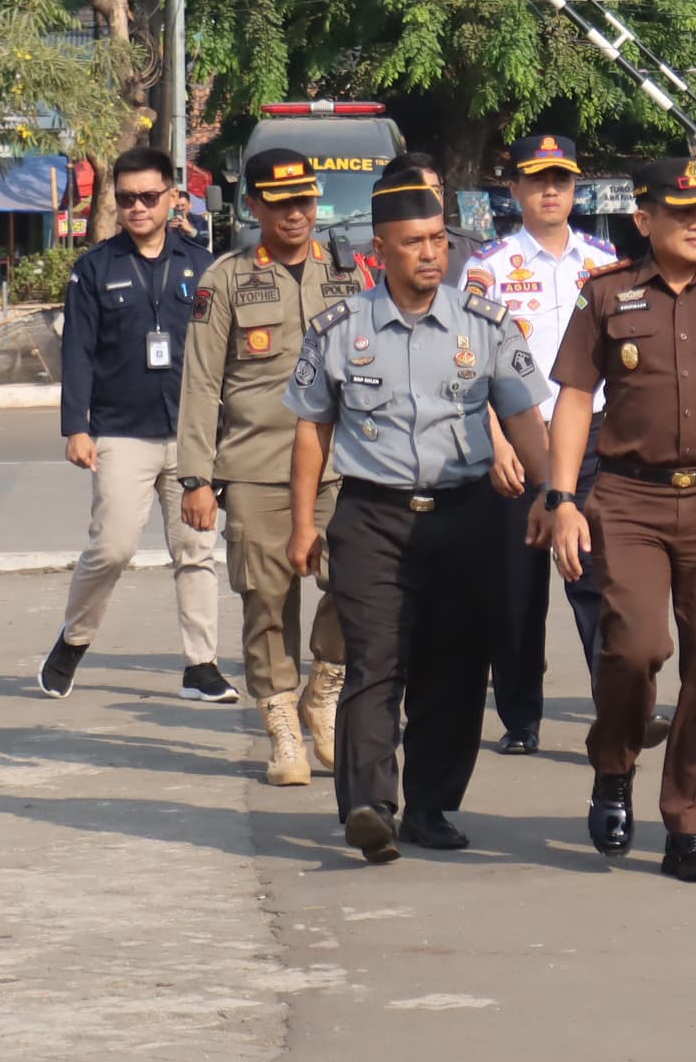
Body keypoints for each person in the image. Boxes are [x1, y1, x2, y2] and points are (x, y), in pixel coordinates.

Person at [284, 167, 553, 862]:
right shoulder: (340, 330)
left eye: (438, 239)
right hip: (373, 515)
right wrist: (303, 525)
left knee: (457, 663)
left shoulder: (485, 323)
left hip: (467, 514)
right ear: (381, 249)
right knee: (377, 660)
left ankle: (432, 805)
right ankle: (371, 806)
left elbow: (521, 413)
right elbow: (312, 428)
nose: (431, 253)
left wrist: (554, 493)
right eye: (414, 242)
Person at [543, 156, 696, 880]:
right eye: (682, 212)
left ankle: (689, 825)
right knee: (634, 646)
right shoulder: (607, 296)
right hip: (629, 498)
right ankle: (614, 764)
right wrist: (562, 500)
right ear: (644, 218)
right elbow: (571, 399)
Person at [180, 147, 358, 785]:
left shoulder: (346, 272)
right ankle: (282, 724)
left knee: (356, 584)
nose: (296, 214)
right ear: (253, 206)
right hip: (257, 467)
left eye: (305, 201)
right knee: (267, 599)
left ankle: (325, 693)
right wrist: (196, 477)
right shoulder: (223, 280)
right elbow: (201, 384)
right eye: (280, 204)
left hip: (341, 466)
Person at [45, 144, 229, 703]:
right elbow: (76, 352)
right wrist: (77, 426)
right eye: (126, 199)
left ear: (174, 197)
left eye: (150, 197)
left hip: (192, 435)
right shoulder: (94, 268)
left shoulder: (203, 266)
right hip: (122, 431)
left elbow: (224, 352)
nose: (138, 208)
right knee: (114, 547)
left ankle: (201, 664)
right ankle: (73, 641)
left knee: (195, 550)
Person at [463, 131, 618, 754]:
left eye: (562, 180)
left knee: (596, 581)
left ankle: (614, 709)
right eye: (537, 179)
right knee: (516, 590)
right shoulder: (490, 266)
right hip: (519, 441)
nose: (550, 191)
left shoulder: (603, 262)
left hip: (594, 439)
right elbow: (471, 363)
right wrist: (496, 440)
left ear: (576, 187)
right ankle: (521, 718)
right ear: (515, 188)